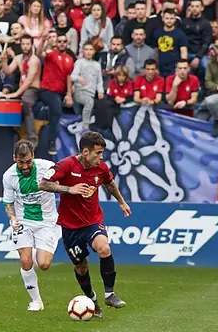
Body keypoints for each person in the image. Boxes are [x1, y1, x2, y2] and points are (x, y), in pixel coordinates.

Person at [39, 131, 131, 316]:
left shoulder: (101, 169)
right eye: (98, 153)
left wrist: (121, 201)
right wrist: (68, 189)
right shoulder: (65, 165)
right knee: (81, 268)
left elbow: (110, 184)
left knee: (104, 249)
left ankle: (110, 294)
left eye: (102, 153)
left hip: (92, 222)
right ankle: (93, 300)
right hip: (70, 227)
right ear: (86, 152)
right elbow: (43, 184)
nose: (101, 157)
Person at [2, 139, 58, 311]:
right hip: (23, 221)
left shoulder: (48, 167)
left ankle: (34, 252)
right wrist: (12, 218)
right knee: (26, 261)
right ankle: (36, 301)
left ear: (33, 156)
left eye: (28, 161)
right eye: (21, 162)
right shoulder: (9, 176)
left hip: (47, 222)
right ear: (14, 158)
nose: (25, 166)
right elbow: (8, 203)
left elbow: (61, 183)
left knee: (44, 264)